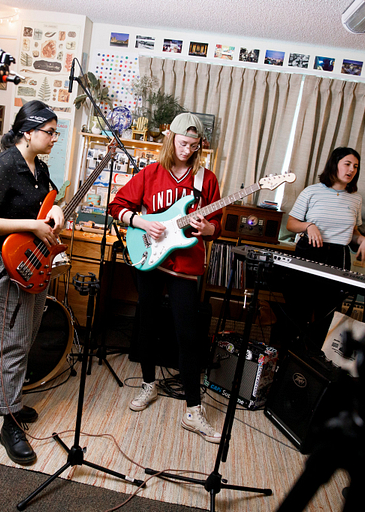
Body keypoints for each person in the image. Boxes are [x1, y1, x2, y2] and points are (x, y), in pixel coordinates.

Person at [107, 112, 223, 444]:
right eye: (181, 142)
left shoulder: (206, 180)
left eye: (193, 144)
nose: (186, 149)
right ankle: (148, 385)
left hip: (185, 266)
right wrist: (142, 223)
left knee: (187, 335)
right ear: (170, 139)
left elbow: (216, 226)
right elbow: (117, 206)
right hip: (150, 259)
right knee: (147, 324)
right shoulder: (151, 173)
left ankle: (193, 409)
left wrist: (208, 228)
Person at [0, 100, 64, 465]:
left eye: (56, 132)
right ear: (28, 132)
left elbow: (50, 199)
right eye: (50, 132)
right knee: (12, 344)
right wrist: (32, 226)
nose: (55, 138)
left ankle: (3, 399)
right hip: (6, 265)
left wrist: (54, 210)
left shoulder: (37, 168)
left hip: (33, 263)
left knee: (24, 338)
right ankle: (9, 422)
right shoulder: (2, 165)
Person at [284, 146, 365, 346]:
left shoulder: (356, 198)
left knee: (328, 312)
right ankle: (292, 354)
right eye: (347, 164)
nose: (351, 170)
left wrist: (364, 240)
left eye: (356, 167)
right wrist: (308, 226)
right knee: (300, 308)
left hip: (339, 256)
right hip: (310, 251)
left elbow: (353, 233)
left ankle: (315, 359)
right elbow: (291, 224)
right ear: (334, 165)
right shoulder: (312, 191)